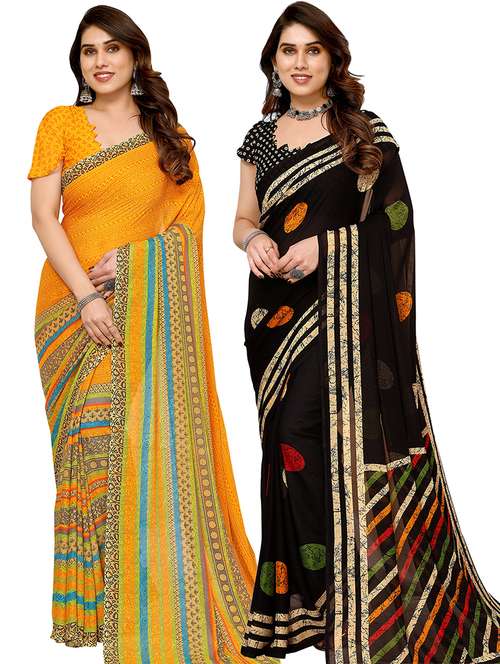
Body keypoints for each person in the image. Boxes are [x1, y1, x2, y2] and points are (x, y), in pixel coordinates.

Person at [233, 2, 500, 662]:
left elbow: (395, 222)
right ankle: (317, 604)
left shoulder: (363, 133)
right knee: (289, 454)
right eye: (288, 51)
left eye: (312, 51)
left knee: (337, 448)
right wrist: (254, 239)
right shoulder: (258, 138)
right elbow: (242, 218)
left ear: (333, 60)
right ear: (273, 61)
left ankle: (366, 603)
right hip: (275, 321)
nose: (300, 63)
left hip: (345, 319)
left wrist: (328, 248)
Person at [28, 6, 278, 664]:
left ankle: (146, 605)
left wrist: (135, 264)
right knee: (88, 454)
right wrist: (87, 296)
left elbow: (186, 232)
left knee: (139, 448)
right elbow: (44, 217)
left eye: (112, 48)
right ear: (78, 62)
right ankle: (99, 607)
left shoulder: (171, 138)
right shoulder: (60, 123)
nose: (100, 61)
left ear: (136, 57)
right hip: (70, 311)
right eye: (88, 51)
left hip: (144, 311)